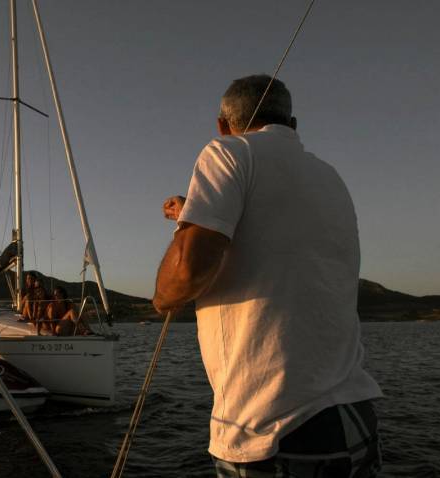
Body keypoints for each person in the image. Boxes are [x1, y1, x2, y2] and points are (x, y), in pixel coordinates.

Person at [152, 74, 383, 477]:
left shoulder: (225, 152)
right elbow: (278, 233)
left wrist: (162, 299)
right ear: (293, 125)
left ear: (222, 125)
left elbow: (188, 270)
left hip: (273, 429)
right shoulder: (331, 178)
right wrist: (195, 210)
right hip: (354, 416)